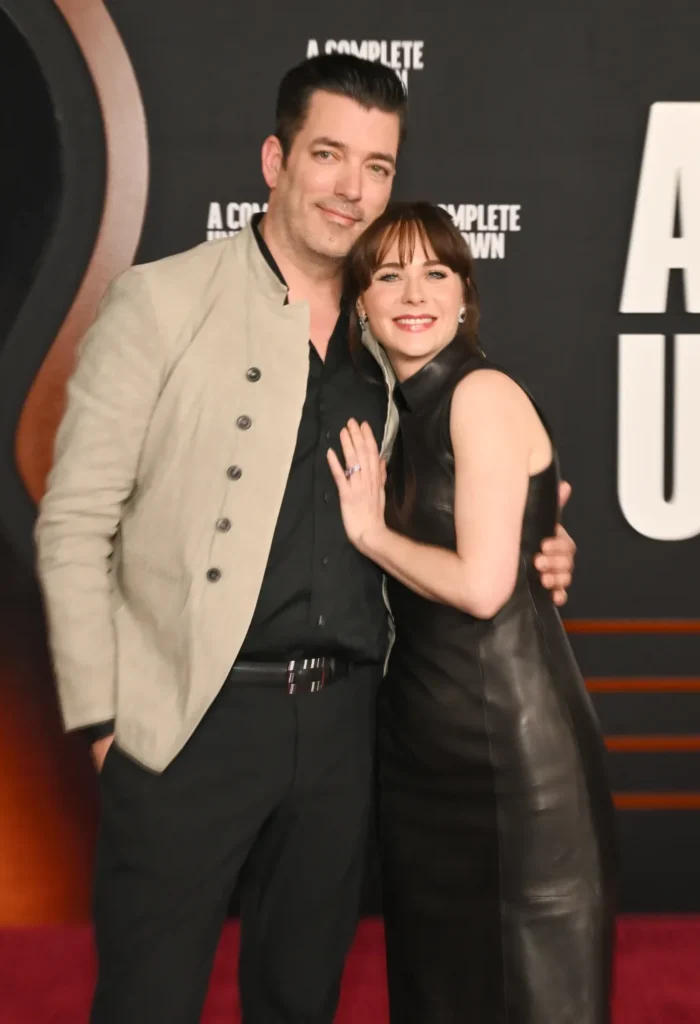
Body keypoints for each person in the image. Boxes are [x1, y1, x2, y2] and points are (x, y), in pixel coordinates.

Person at [35, 56, 577, 1024]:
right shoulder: (161, 301)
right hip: (187, 719)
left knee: (300, 998)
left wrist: (540, 539)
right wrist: (104, 721)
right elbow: (76, 520)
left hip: (345, 725)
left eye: (377, 165)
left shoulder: (394, 330)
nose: (352, 187)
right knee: (146, 1000)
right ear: (275, 159)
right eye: (329, 155)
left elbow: (472, 486)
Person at [328, 200, 616, 1023]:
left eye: (435, 272)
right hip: (423, 758)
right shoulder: (392, 414)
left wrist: (371, 534)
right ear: (362, 305)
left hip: (517, 767)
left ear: (465, 296)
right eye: (388, 276)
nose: (413, 293)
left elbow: (485, 588)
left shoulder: (480, 393)